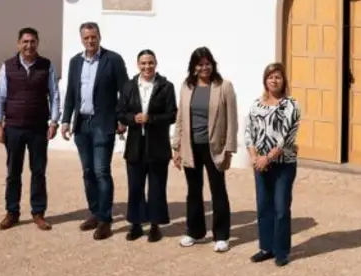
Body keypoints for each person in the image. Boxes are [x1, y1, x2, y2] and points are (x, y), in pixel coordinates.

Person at [61, 21, 128, 240]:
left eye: (93, 37)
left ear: (99, 37)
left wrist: (121, 118)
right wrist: (65, 121)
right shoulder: (75, 62)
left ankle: (105, 220)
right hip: (81, 124)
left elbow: (125, 91)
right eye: (86, 37)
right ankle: (95, 212)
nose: (90, 41)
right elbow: (71, 92)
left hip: (103, 124)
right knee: (88, 172)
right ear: (81, 39)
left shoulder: (113, 60)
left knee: (101, 171)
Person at [0, 27, 60, 231]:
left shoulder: (46, 66)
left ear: (37, 43)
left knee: (38, 171)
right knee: (13, 172)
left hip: (38, 128)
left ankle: (38, 212)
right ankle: (11, 212)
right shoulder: (8, 66)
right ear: (18, 44)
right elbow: (0, 95)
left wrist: (54, 122)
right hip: (13, 127)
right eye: (25, 42)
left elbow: (54, 95)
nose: (29, 45)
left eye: (33, 42)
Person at [172, 46, 239, 252]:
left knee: (218, 190)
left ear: (213, 64)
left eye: (207, 63)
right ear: (193, 67)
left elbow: (232, 119)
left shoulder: (224, 86)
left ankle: (221, 236)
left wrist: (229, 149)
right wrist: (176, 147)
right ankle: (195, 231)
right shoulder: (186, 87)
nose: (204, 67)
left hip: (215, 147)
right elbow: (181, 117)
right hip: (191, 147)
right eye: (200, 64)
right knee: (193, 191)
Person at [116, 49, 177, 242]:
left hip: (158, 144)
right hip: (135, 144)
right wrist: (132, 119)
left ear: (156, 64)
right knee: (135, 186)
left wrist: (151, 118)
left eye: (150, 63)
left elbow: (172, 114)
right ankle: (135, 224)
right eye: (143, 63)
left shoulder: (166, 86)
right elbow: (120, 112)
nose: (147, 67)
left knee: (157, 186)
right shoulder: (128, 87)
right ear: (138, 65)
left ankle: (155, 225)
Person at [245, 62, 301, 267]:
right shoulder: (256, 104)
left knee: (281, 208)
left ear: (283, 80)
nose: (274, 80)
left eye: (278, 77)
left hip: (283, 164)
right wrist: (254, 157)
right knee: (263, 207)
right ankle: (266, 247)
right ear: (265, 81)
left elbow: (286, 138)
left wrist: (266, 158)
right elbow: (248, 132)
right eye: (270, 77)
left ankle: (281, 250)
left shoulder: (291, 105)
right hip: (260, 165)